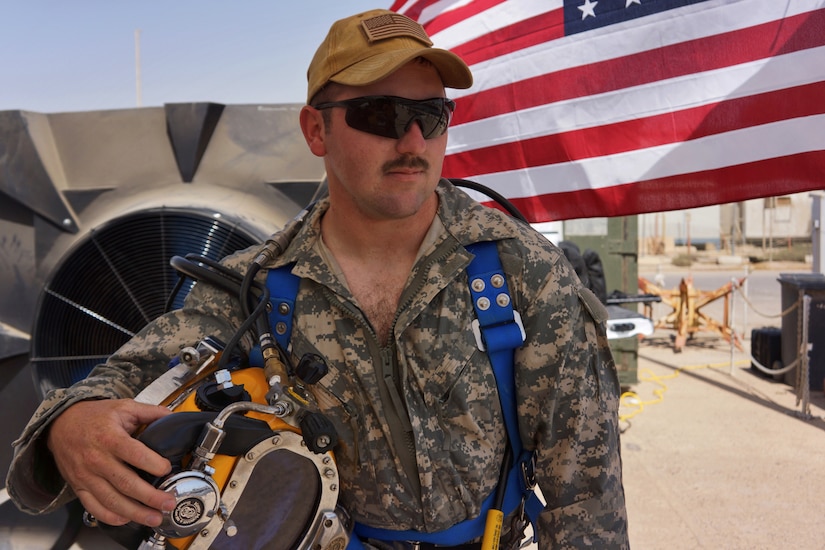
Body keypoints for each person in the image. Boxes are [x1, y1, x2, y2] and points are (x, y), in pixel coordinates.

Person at [6, 8, 628, 549]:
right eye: (380, 113)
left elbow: (585, 493)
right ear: (315, 130)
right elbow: (125, 377)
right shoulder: (253, 289)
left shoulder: (521, 272)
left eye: (431, 114)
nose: (412, 138)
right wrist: (71, 420)